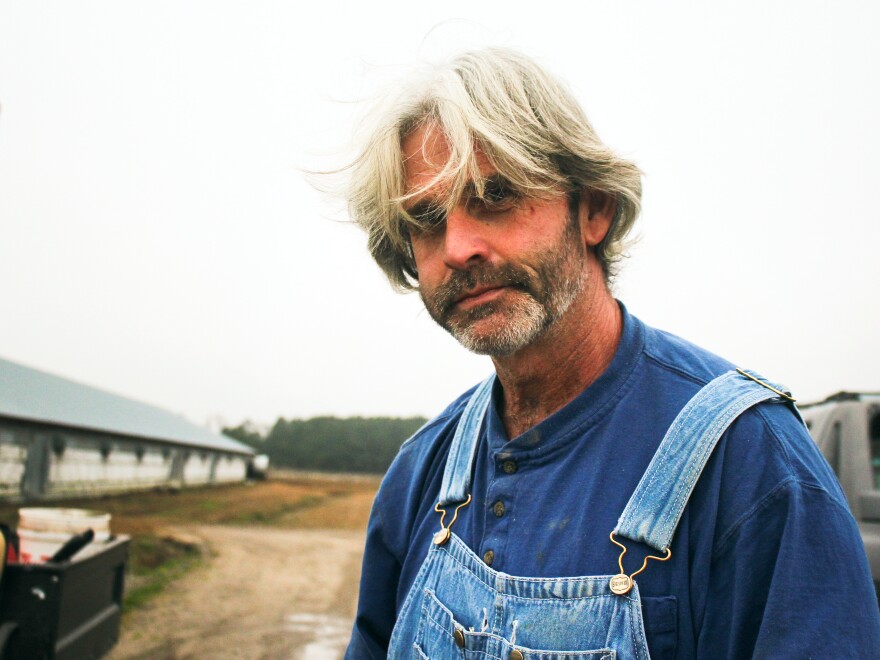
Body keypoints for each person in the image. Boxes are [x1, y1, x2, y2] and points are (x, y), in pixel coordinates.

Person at [341, 49, 880, 659]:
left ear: (592, 208)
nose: (459, 246)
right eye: (428, 218)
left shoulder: (754, 467)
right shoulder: (421, 474)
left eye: (496, 196)